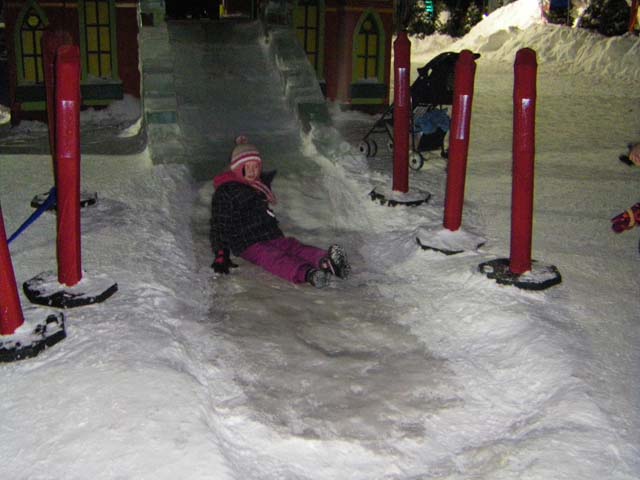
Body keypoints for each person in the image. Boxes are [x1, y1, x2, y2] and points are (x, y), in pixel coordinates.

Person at [210, 136, 351, 288]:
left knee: (294, 247)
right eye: (247, 167)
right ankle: (308, 274)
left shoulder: (257, 186)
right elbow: (219, 224)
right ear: (237, 168)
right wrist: (221, 253)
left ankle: (326, 261)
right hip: (247, 243)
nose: (252, 171)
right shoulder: (226, 191)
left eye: (255, 166)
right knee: (273, 257)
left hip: (270, 235)